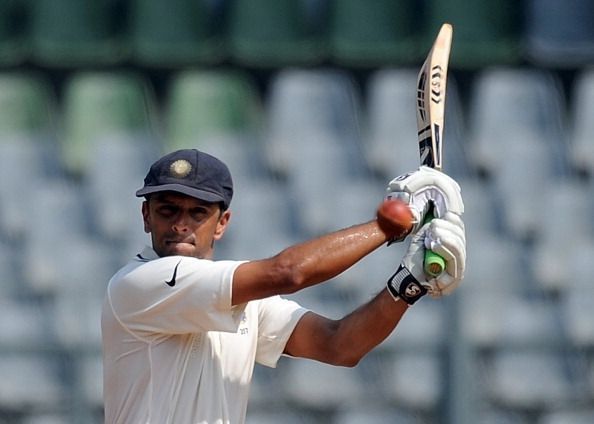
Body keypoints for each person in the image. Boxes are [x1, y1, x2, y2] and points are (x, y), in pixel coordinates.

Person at [101, 148, 466, 424]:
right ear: (146, 215)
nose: (182, 224)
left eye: (198, 212)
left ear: (222, 222)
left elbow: (338, 344)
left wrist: (409, 283)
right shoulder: (137, 284)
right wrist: (396, 222)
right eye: (168, 210)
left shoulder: (244, 301)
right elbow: (288, 273)